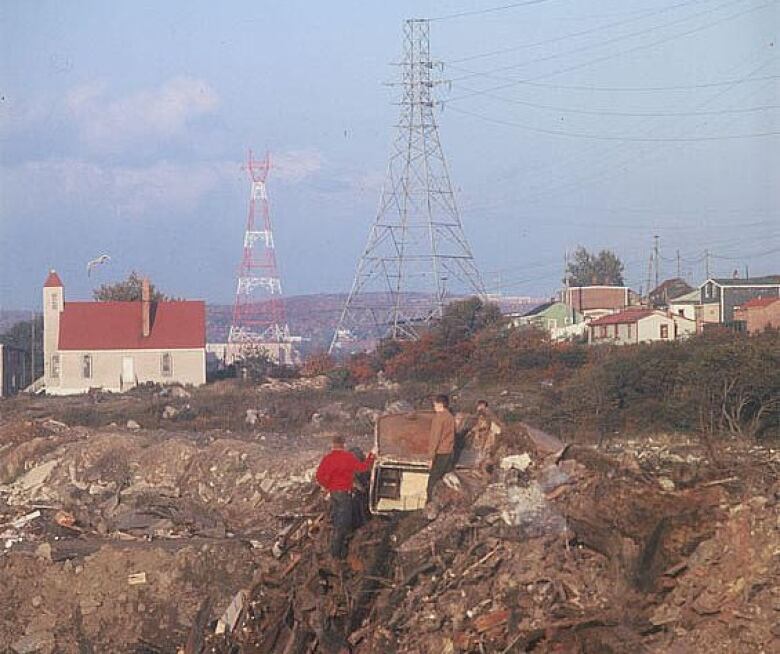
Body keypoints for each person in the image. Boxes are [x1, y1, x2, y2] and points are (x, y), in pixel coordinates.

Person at [315, 435, 376, 560]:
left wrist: (328, 486)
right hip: (344, 494)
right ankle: (335, 554)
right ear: (343, 444)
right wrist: (371, 456)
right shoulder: (347, 457)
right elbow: (364, 467)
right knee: (343, 523)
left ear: (332, 444)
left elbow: (319, 476)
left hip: (334, 494)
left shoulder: (327, 458)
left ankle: (335, 549)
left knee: (337, 519)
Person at [426, 394, 456, 501]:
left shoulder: (439, 418)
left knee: (432, 482)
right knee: (445, 480)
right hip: (449, 452)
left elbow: (435, 438)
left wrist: (430, 458)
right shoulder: (450, 417)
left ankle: (429, 504)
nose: (434, 406)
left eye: (435, 404)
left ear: (440, 404)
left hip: (440, 453)